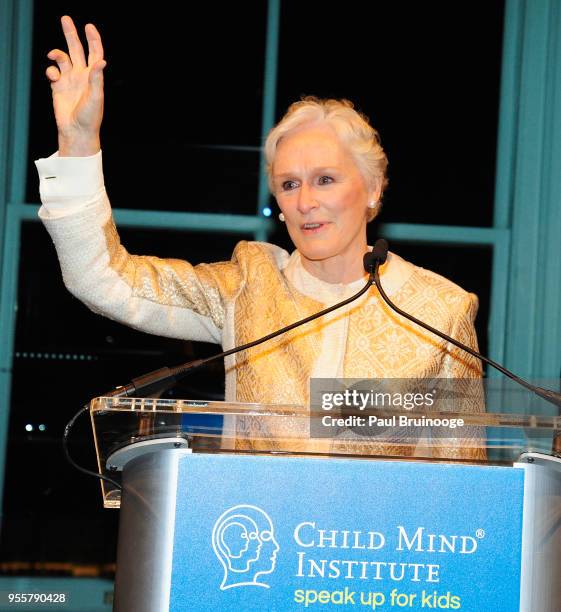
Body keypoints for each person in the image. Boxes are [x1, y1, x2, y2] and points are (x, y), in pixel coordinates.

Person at [36, 16, 485, 459]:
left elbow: (465, 480)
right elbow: (103, 279)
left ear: (372, 189)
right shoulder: (249, 286)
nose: (305, 201)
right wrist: (78, 143)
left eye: (325, 179)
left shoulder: (439, 310)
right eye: (289, 185)